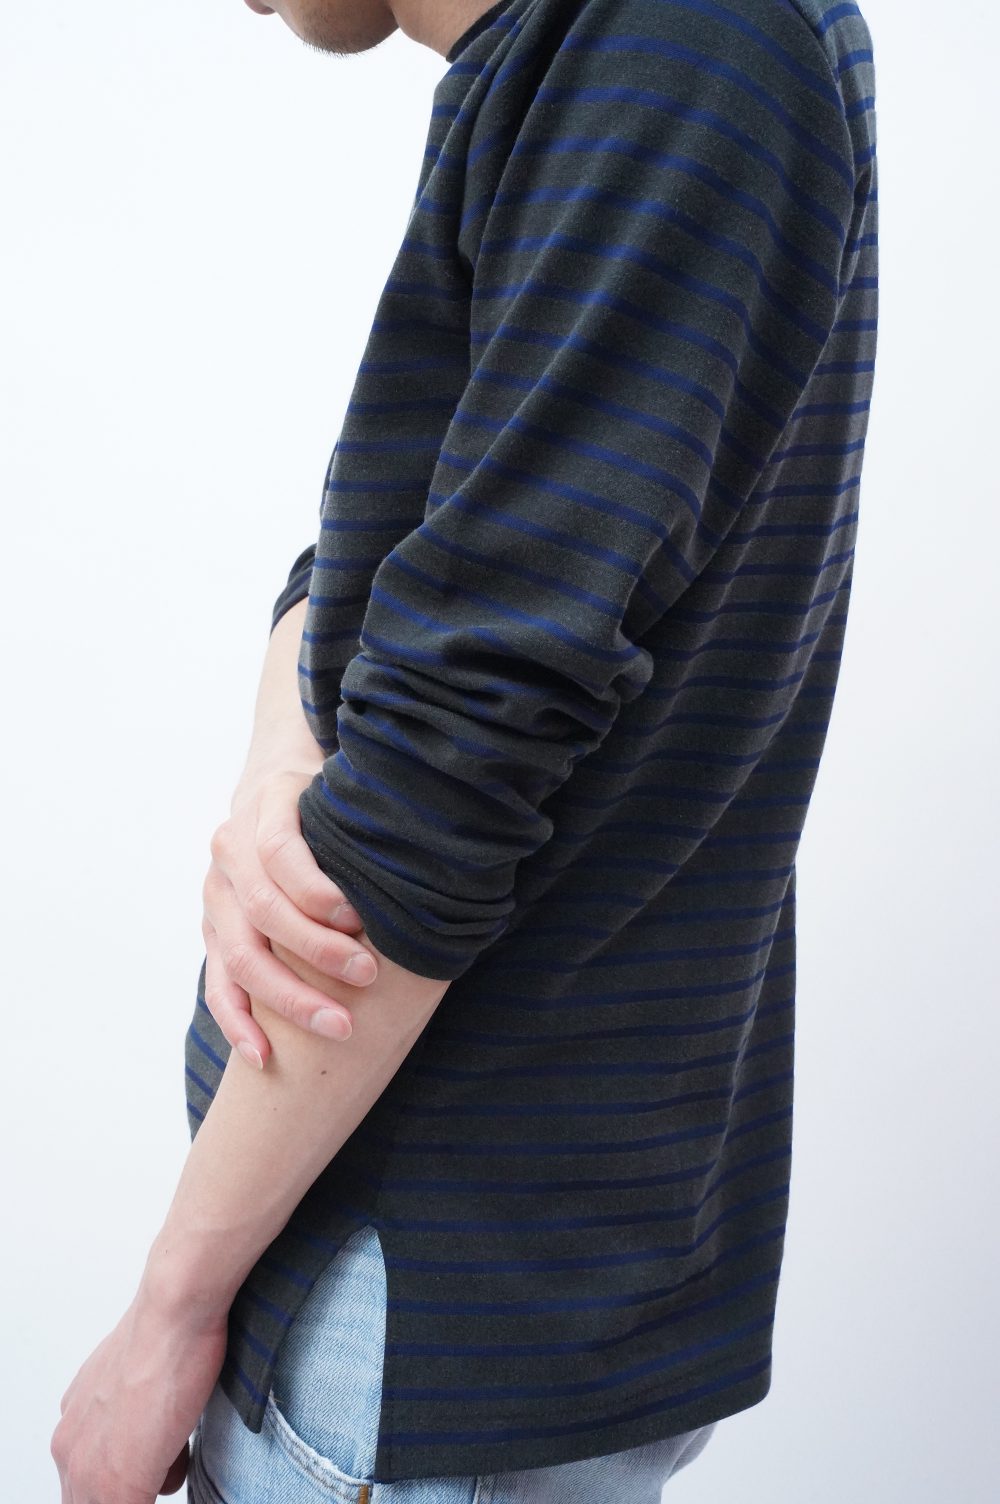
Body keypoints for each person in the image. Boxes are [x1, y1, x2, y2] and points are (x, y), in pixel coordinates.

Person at [51, 0, 879, 1500]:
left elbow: (452, 759)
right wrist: (277, 772)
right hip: (392, 1270)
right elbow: (380, 570)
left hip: (425, 1310)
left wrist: (165, 1312)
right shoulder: (580, 60)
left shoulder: (686, 48)